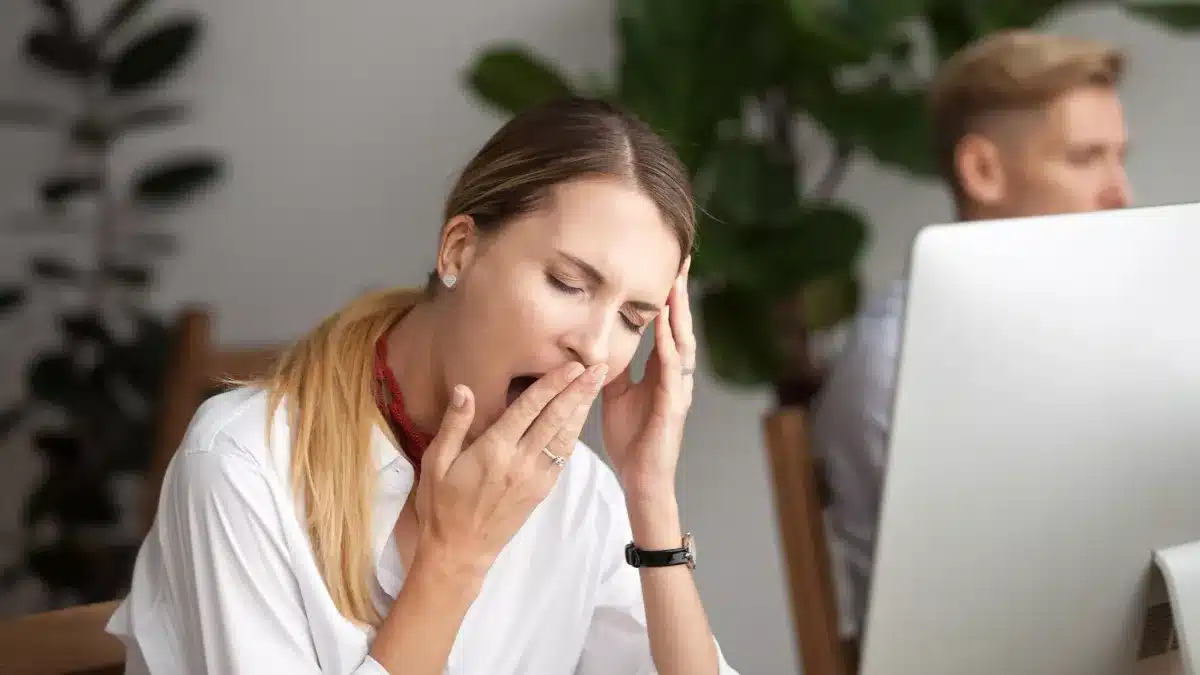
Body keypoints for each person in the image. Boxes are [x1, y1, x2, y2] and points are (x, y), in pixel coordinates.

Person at [106, 97, 739, 675]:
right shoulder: (240, 465)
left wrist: (650, 496)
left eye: (633, 318)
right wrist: (453, 559)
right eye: (569, 283)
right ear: (460, 250)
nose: (596, 349)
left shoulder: (582, 496)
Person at [811, 29, 1132, 641]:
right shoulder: (897, 366)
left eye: (1120, 158)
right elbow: (952, 619)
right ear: (983, 170)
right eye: (1086, 159)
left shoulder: (1116, 336)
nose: (1121, 194)